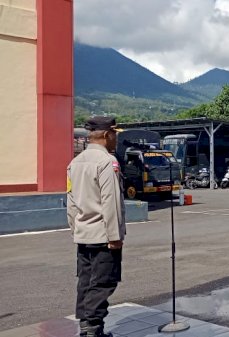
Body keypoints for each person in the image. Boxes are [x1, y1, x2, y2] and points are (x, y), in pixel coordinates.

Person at [67, 116, 125, 337]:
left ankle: (86, 328)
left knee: (85, 281)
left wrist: (76, 229)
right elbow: (111, 202)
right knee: (102, 283)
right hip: (103, 236)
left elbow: (71, 201)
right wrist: (115, 235)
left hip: (83, 235)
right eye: (115, 134)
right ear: (105, 135)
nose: (116, 139)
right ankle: (92, 331)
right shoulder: (107, 162)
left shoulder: (75, 162)